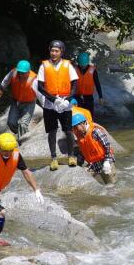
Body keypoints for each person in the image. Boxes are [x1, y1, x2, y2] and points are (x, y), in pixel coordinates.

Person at [0, 133, 44, 246]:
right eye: (5, 150)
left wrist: (36, 190)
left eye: (10, 150)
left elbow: (25, 171)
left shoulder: (16, 155)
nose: (8, 153)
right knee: (0, 213)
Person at [37, 40, 79, 171]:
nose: (54, 53)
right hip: (50, 104)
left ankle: (71, 156)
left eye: (57, 51)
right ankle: (54, 158)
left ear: (61, 52)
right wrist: (53, 99)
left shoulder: (67, 65)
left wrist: (69, 98)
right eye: (52, 50)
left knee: (68, 130)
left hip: (65, 103)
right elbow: (40, 86)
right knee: (52, 131)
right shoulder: (44, 66)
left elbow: (75, 84)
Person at [0, 60, 37, 142]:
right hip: (15, 101)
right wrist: (1, 89)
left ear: (28, 71)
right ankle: (21, 134)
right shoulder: (13, 72)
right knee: (11, 123)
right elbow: (6, 80)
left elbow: (41, 93)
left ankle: (20, 141)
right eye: (19, 72)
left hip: (29, 103)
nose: (20, 74)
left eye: (23, 73)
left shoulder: (34, 80)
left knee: (23, 124)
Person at [71, 114, 117, 184]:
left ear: (84, 123)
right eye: (74, 128)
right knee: (80, 180)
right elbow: (82, 152)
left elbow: (107, 145)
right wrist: (78, 165)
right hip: (93, 165)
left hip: (105, 162)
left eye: (77, 127)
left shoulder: (95, 131)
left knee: (111, 186)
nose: (76, 130)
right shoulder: (80, 136)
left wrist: (107, 161)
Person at [74, 52, 103, 118]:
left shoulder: (93, 70)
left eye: (84, 65)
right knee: (78, 116)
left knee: (89, 116)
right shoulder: (74, 69)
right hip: (77, 97)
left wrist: (100, 97)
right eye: (81, 65)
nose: (83, 66)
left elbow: (97, 84)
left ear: (87, 63)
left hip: (88, 98)